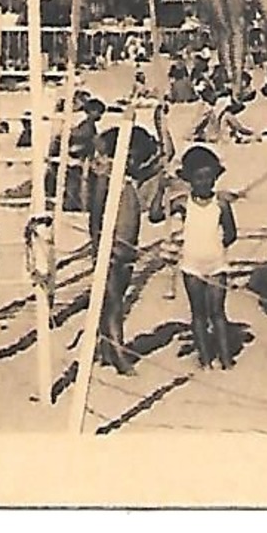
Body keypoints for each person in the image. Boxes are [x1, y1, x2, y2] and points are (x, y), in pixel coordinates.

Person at [88, 101, 173, 373]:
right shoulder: (106, 178)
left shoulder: (128, 177)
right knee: (114, 302)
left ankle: (105, 349)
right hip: (111, 248)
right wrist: (99, 245)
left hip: (125, 249)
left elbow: (164, 156)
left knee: (113, 299)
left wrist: (162, 123)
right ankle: (119, 354)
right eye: (134, 157)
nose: (138, 162)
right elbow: (95, 213)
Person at [150, 145, 238, 370]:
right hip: (191, 266)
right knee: (198, 314)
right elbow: (155, 215)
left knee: (218, 313)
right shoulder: (182, 203)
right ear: (189, 179)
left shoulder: (222, 204)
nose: (204, 183)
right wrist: (160, 189)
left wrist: (216, 248)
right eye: (199, 178)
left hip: (217, 264)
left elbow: (231, 234)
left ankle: (226, 359)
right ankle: (205, 359)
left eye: (209, 177)